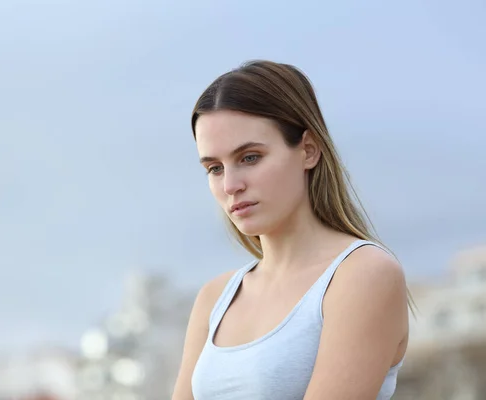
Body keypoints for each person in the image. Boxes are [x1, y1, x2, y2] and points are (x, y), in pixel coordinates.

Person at [171, 60, 410, 400]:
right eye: (214, 168)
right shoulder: (214, 298)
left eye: (250, 157)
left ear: (308, 150)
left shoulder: (363, 274)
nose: (231, 185)